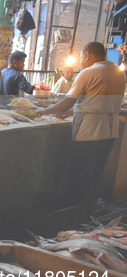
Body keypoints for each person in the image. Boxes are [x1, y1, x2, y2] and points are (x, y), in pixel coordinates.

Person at [37, 42, 126, 202]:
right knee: (97, 173)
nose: (81, 61)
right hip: (111, 131)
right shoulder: (118, 72)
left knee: (81, 176)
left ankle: (78, 216)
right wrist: (71, 112)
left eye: (81, 57)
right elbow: (97, 102)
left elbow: (67, 102)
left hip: (90, 131)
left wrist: (42, 111)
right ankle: (90, 211)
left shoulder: (89, 72)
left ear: (87, 54)